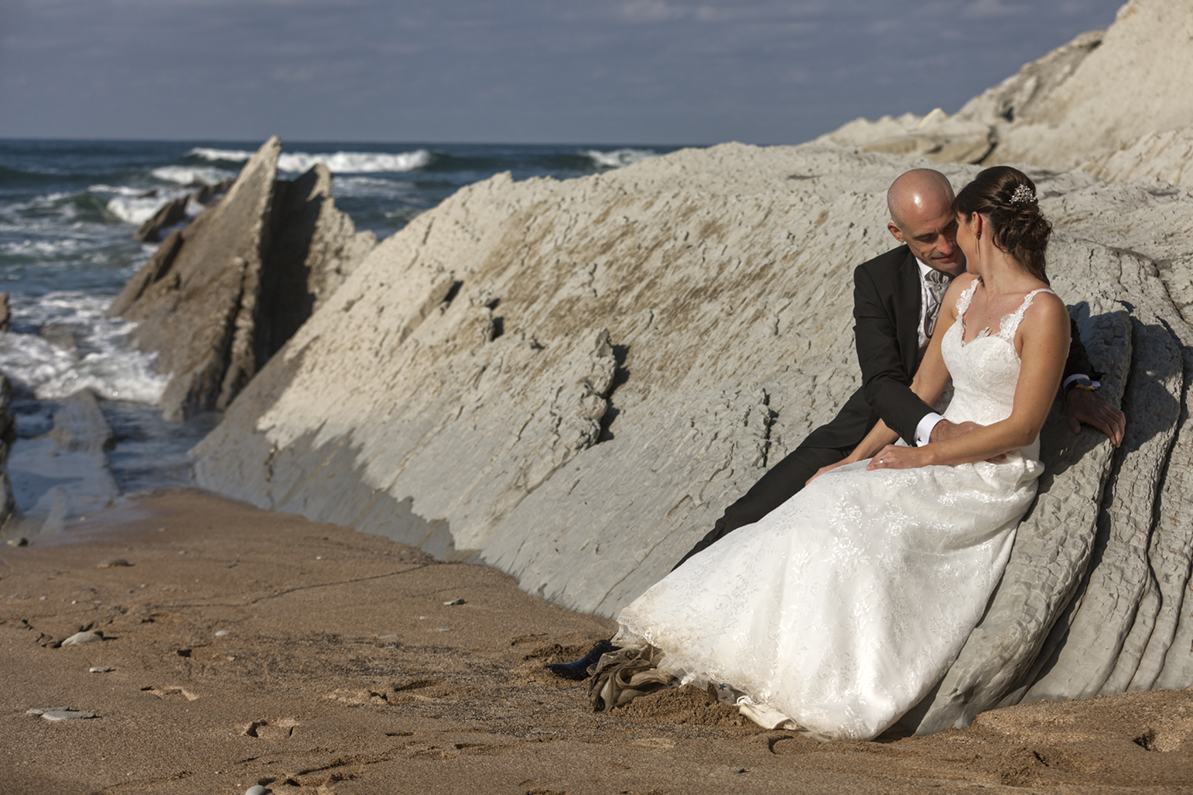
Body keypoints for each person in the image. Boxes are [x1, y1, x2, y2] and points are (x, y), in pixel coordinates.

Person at [545, 167, 1125, 681]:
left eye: (953, 226)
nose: (947, 244)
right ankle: (629, 644)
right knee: (750, 514)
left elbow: (1035, 330)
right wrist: (906, 441)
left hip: (960, 446)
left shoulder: (994, 277)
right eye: (928, 238)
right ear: (899, 235)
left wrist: (1079, 386)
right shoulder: (877, 280)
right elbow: (886, 386)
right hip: (884, 419)